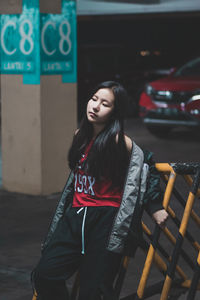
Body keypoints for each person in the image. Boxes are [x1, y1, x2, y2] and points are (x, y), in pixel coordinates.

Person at [32, 81, 168, 300]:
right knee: (44, 275)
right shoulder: (80, 135)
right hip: (75, 217)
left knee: (93, 291)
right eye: (94, 99)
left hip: (105, 221)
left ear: (115, 112)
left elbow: (147, 164)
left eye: (105, 104)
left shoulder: (118, 142)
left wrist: (155, 206)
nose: (95, 106)